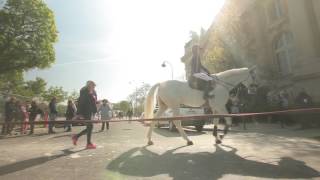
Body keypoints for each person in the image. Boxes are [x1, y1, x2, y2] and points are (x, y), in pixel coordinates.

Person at [72, 80, 98, 149]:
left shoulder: (91, 92)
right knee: (90, 126)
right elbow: (81, 102)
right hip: (85, 112)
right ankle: (88, 143)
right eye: (93, 86)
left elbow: (93, 102)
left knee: (89, 127)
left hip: (89, 112)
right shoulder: (84, 92)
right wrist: (79, 113)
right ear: (89, 85)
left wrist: (95, 111)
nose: (94, 88)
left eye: (94, 86)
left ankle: (76, 137)